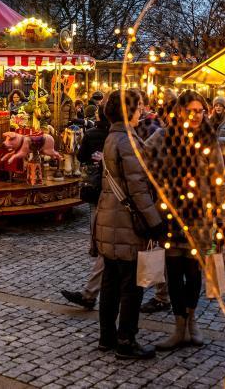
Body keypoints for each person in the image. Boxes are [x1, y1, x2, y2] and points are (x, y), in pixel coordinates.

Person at [147, 91, 225, 350]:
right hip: (171, 215)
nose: (196, 116)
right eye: (191, 110)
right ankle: (178, 326)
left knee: (193, 272)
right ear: (180, 111)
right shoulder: (164, 136)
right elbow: (142, 157)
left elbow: (219, 176)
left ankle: (192, 322)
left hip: (200, 217)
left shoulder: (208, 138)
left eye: (200, 111)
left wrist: (222, 213)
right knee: (173, 272)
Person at [94, 88, 164, 360]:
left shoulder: (114, 136)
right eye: (139, 107)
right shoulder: (128, 141)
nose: (143, 110)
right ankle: (126, 340)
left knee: (110, 281)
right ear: (129, 111)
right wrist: (155, 222)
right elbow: (138, 188)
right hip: (126, 223)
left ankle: (106, 336)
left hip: (109, 219)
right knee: (131, 286)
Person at [60, 104, 111, 310]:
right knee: (108, 255)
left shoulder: (94, 134)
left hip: (104, 191)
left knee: (106, 247)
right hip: (110, 194)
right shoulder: (126, 136)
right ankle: (90, 294)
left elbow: (81, 157)